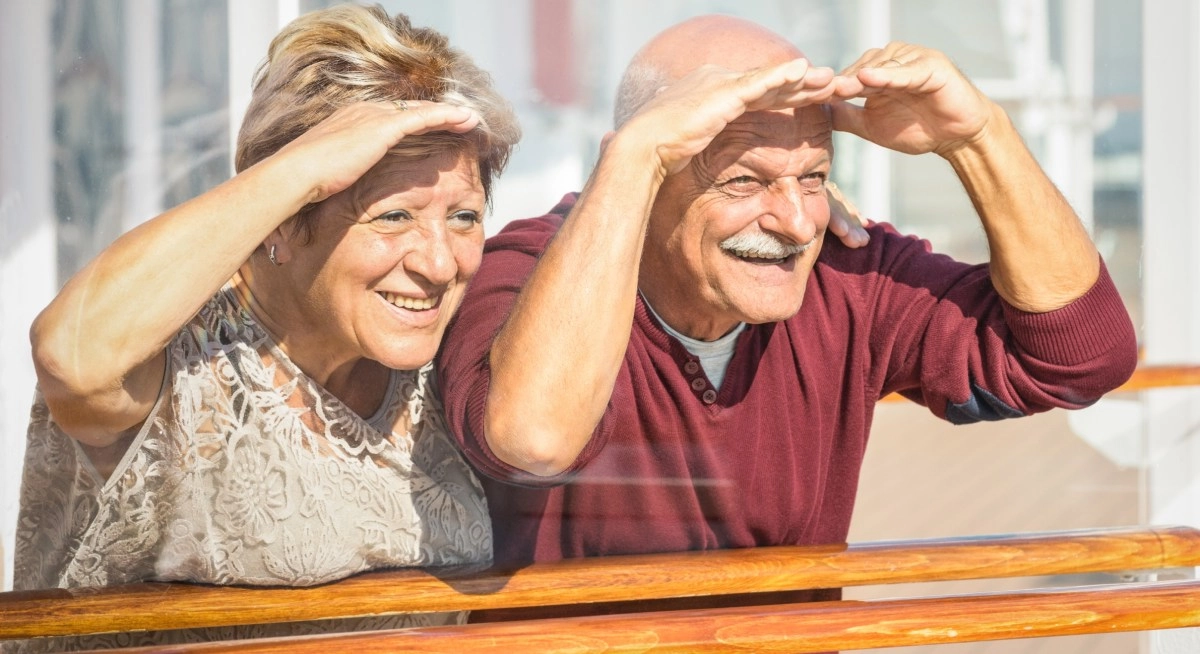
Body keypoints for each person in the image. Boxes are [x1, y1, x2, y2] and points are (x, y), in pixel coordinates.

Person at [436, 14, 1138, 609]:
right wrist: (632, 160)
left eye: (814, 177)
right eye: (744, 180)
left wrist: (978, 138)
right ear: (645, 174)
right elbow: (531, 441)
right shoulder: (528, 268)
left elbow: (1079, 358)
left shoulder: (847, 271)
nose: (798, 222)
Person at [10, 3, 518, 649]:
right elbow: (70, 356)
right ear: (284, 217)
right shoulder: (185, 356)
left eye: (465, 217)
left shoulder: (447, 360)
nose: (440, 262)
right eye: (393, 217)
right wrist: (302, 166)